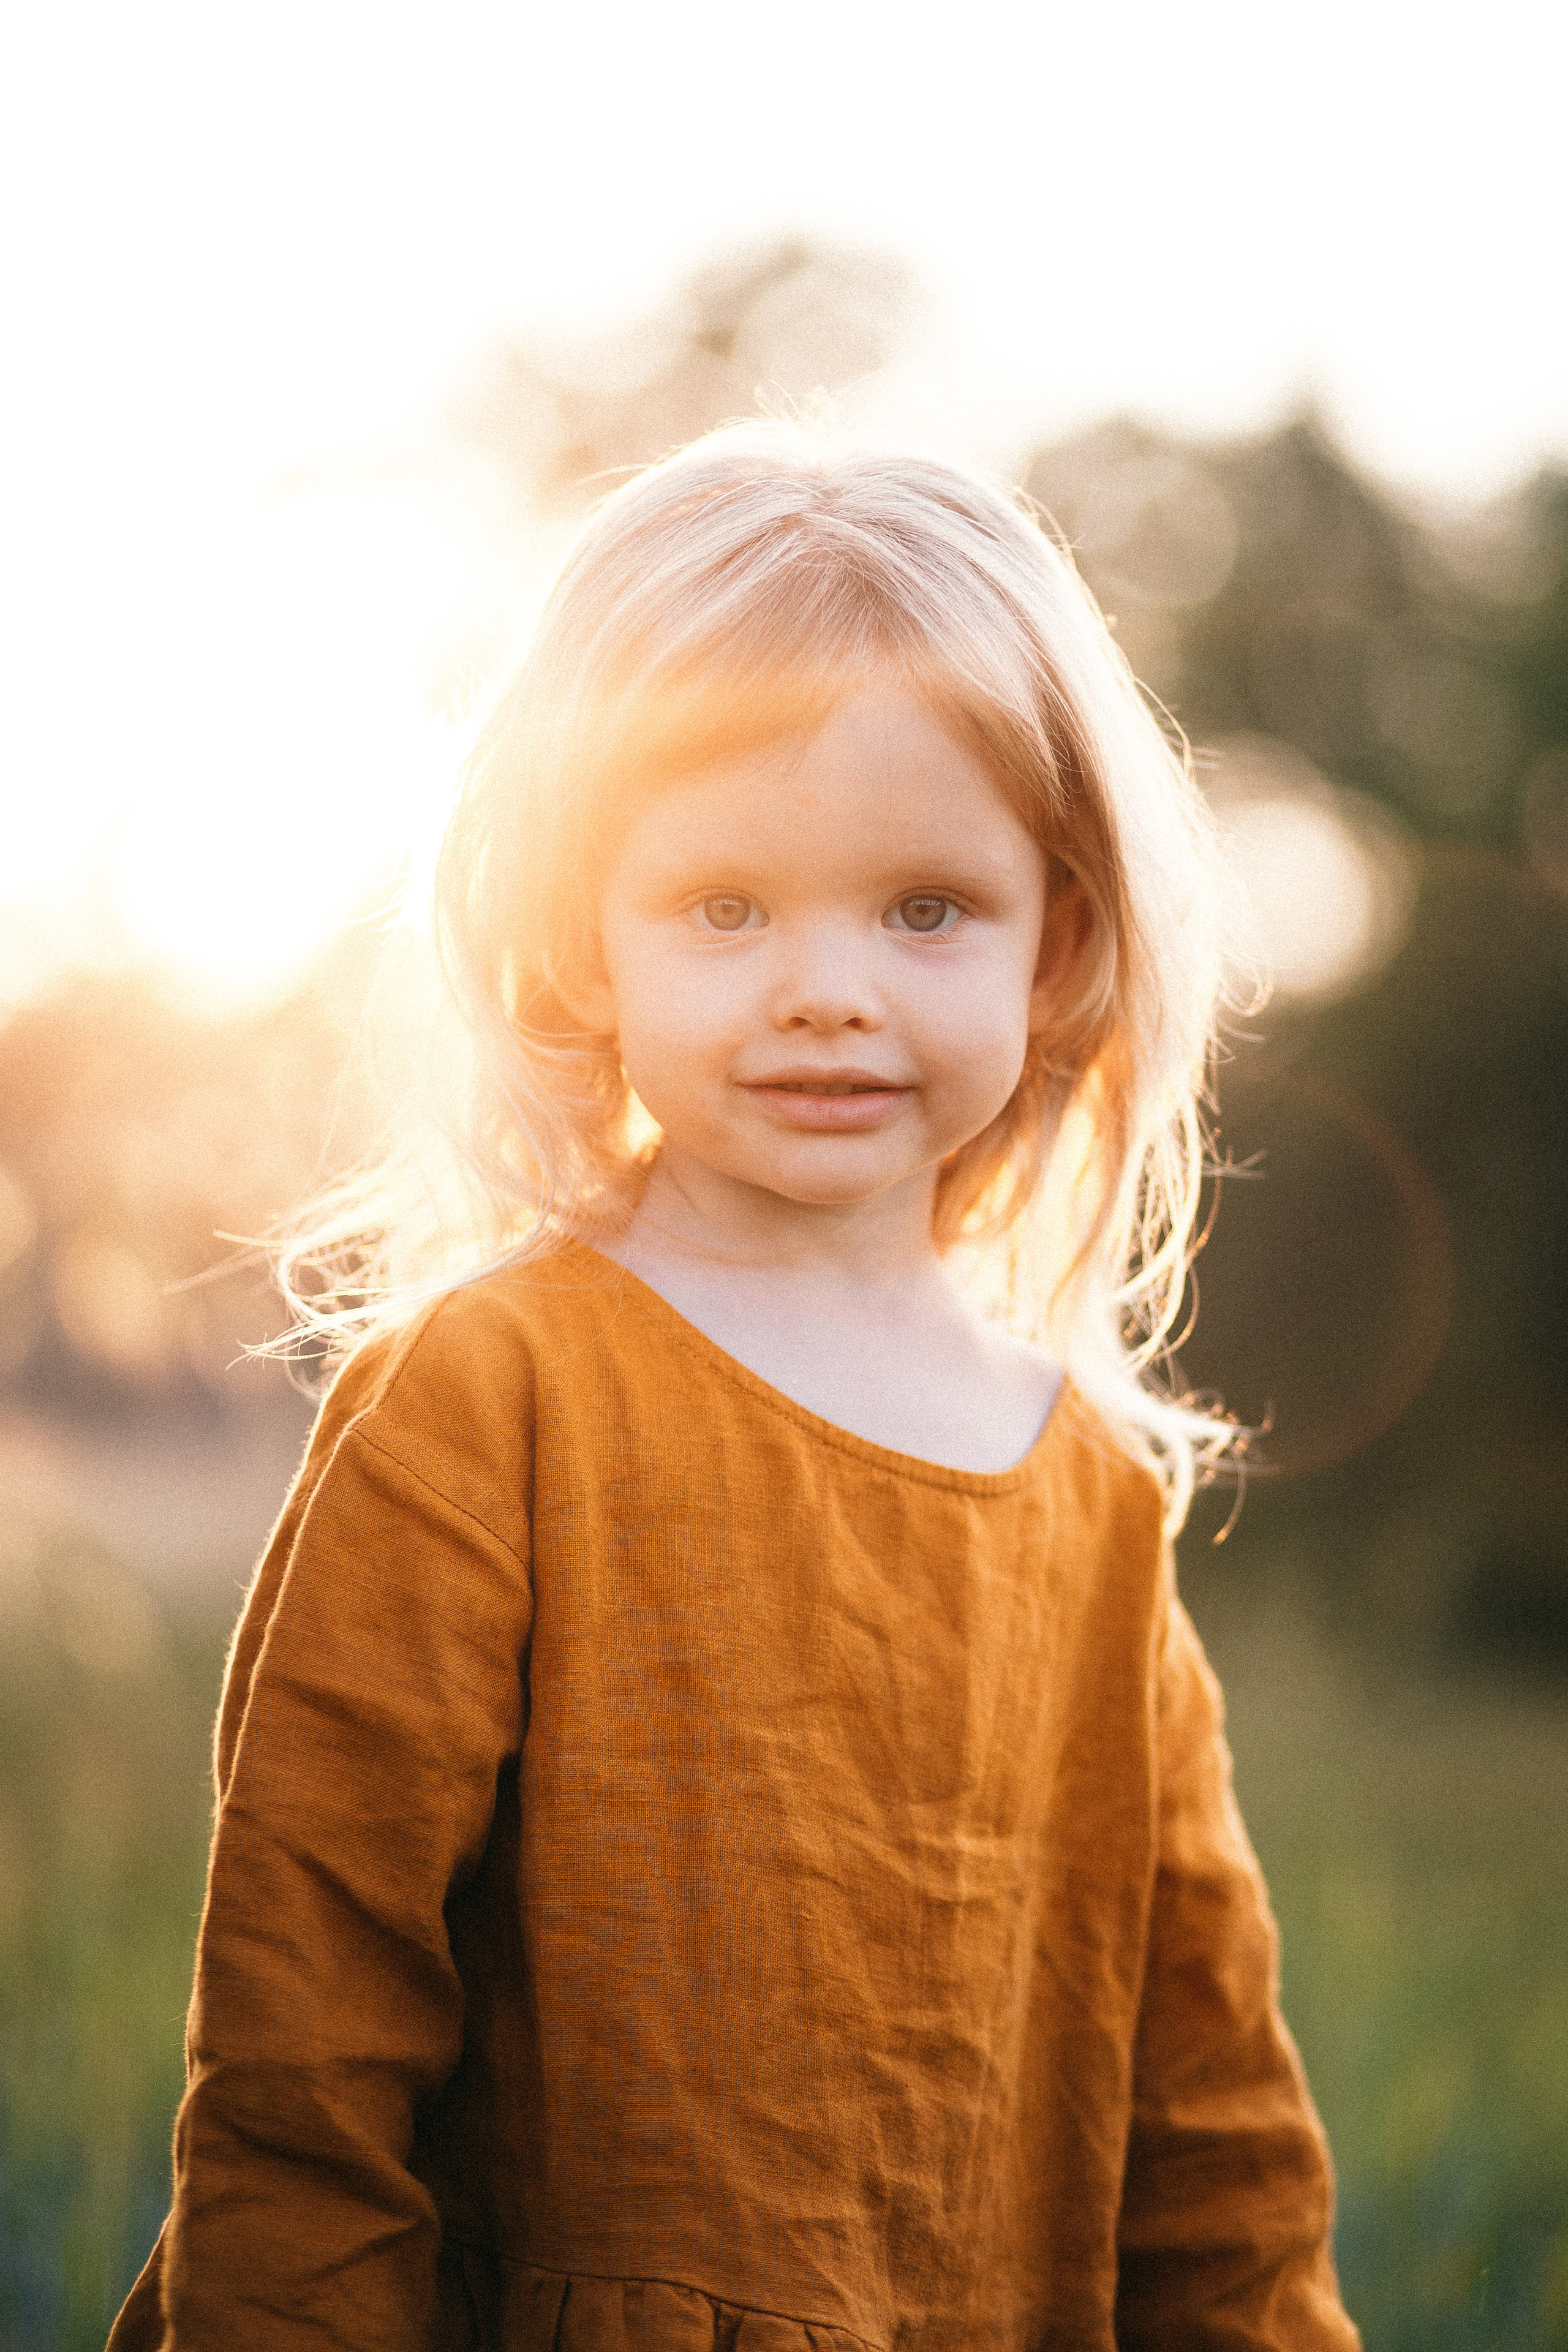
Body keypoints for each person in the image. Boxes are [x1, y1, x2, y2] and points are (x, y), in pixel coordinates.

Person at [108, 421, 1359, 2351]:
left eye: (926, 908)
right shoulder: (489, 1398)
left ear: (1064, 948)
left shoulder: (1087, 1489)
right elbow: (306, 2045)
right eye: (724, 908)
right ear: (575, 943)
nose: (826, 988)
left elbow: (1215, 2132)